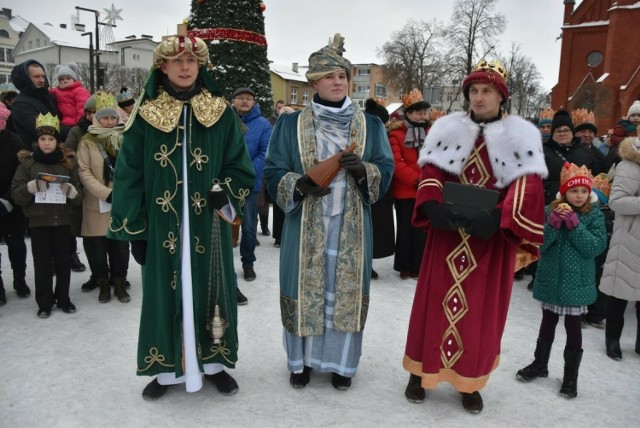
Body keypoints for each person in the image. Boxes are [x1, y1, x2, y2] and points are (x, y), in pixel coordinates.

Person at [107, 34, 255, 400]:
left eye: (191, 61)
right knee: (162, 295)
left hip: (209, 224)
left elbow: (241, 167)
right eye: (177, 61)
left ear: (199, 66)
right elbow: (129, 175)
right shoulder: (145, 115)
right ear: (163, 67)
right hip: (162, 226)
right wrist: (135, 230)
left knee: (212, 291)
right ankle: (166, 370)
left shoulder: (220, 112)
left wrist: (226, 192)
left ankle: (215, 364)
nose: (185, 67)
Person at [403, 60, 548, 413]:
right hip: (448, 235)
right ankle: (420, 372)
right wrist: (432, 205)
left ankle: (471, 379)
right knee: (433, 302)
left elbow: (527, 187)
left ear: (501, 96)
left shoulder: (522, 136)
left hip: (489, 239)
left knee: (481, 311)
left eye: (487, 91)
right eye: (474, 91)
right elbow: (432, 171)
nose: (479, 97)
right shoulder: (448, 129)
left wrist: (500, 216)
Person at [264, 33, 394, 391]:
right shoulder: (290, 125)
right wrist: (299, 184)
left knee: (344, 294)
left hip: (350, 225)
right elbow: (273, 170)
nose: (337, 83)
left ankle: (341, 364)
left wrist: (362, 170)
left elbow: (386, 168)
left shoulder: (372, 125)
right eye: (329, 77)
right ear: (313, 83)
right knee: (305, 290)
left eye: (342, 77)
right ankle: (300, 362)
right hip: (306, 224)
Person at [516, 163, 606, 398]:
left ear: (590, 193)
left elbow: (594, 247)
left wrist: (575, 227)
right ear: (564, 192)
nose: (579, 196)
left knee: (573, 328)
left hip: (577, 284)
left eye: (583, 191)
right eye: (574, 191)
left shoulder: (594, 214)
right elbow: (541, 246)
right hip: (551, 280)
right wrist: (553, 225)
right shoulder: (549, 211)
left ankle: (570, 376)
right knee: (547, 322)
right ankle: (540, 364)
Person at [11, 113, 82, 318]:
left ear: (57, 141)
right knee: (42, 263)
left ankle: (64, 299)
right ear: (37, 141)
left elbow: (78, 195)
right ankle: (44, 303)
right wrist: (30, 187)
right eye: (43, 139)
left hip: (62, 220)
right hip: (38, 221)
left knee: (63, 262)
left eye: (51, 139)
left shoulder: (67, 162)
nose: (47, 143)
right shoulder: (28, 164)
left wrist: (71, 192)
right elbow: (17, 194)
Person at [77, 91, 131, 304]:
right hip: (96, 202)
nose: (109, 122)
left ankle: (119, 282)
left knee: (120, 245)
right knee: (97, 247)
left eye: (112, 117)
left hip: (121, 201)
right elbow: (84, 171)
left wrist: (124, 193)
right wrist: (105, 193)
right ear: (96, 118)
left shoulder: (126, 138)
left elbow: (133, 169)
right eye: (105, 117)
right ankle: (102, 283)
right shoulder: (87, 141)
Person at [599, 127, 640, 360]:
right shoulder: (629, 163)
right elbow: (617, 201)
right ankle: (612, 339)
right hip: (630, 238)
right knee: (620, 291)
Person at [230, 87, 272, 281]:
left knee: (248, 226)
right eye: (241, 98)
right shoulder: (224, 120)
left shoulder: (263, 124)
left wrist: (246, 173)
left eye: (249, 99)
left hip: (250, 183)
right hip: (225, 183)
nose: (245, 101)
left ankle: (248, 263)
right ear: (233, 101)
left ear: (254, 103)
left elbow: (265, 153)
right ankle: (224, 265)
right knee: (223, 226)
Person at [389, 88, 429, 280]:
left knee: (422, 231)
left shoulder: (431, 132)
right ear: (408, 113)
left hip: (426, 189)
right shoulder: (396, 134)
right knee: (405, 230)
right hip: (406, 190)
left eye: (424, 113)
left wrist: (429, 181)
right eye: (418, 113)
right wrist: (416, 180)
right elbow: (397, 164)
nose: (422, 116)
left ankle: (417, 266)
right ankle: (404, 265)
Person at [0, 102, 30, 304]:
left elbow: (20, 175)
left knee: (16, 243)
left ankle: (19, 278)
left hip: (10, 202)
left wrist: (7, 200)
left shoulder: (14, 142)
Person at [364, 98, 394, 279]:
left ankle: (369, 262)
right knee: (368, 229)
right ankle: (365, 264)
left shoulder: (380, 132)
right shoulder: (368, 133)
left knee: (375, 229)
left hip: (381, 187)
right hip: (367, 186)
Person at [10, 60, 71, 149]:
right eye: (36, 77)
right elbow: (45, 130)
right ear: (25, 79)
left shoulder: (49, 97)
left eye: (43, 76)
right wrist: (75, 131)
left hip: (58, 151)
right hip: (37, 156)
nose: (42, 80)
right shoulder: (20, 104)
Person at [49, 63, 91, 128]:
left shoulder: (80, 91)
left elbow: (82, 108)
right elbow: (48, 92)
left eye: (68, 78)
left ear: (73, 79)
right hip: (64, 121)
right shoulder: (57, 91)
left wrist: (80, 123)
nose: (65, 81)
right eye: (62, 79)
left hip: (76, 122)